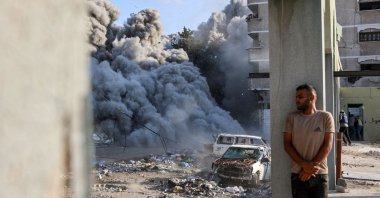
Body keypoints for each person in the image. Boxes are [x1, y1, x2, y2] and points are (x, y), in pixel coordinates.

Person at [284, 84, 335, 198]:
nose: (297, 100)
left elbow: (328, 145)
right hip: (298, 175)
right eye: (296, 97)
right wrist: (304, 165)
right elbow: (287, 145)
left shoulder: (325, 117)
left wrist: (310, 169)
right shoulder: (291, 118)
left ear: (311, 98)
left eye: (300, 97)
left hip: (319, 174)